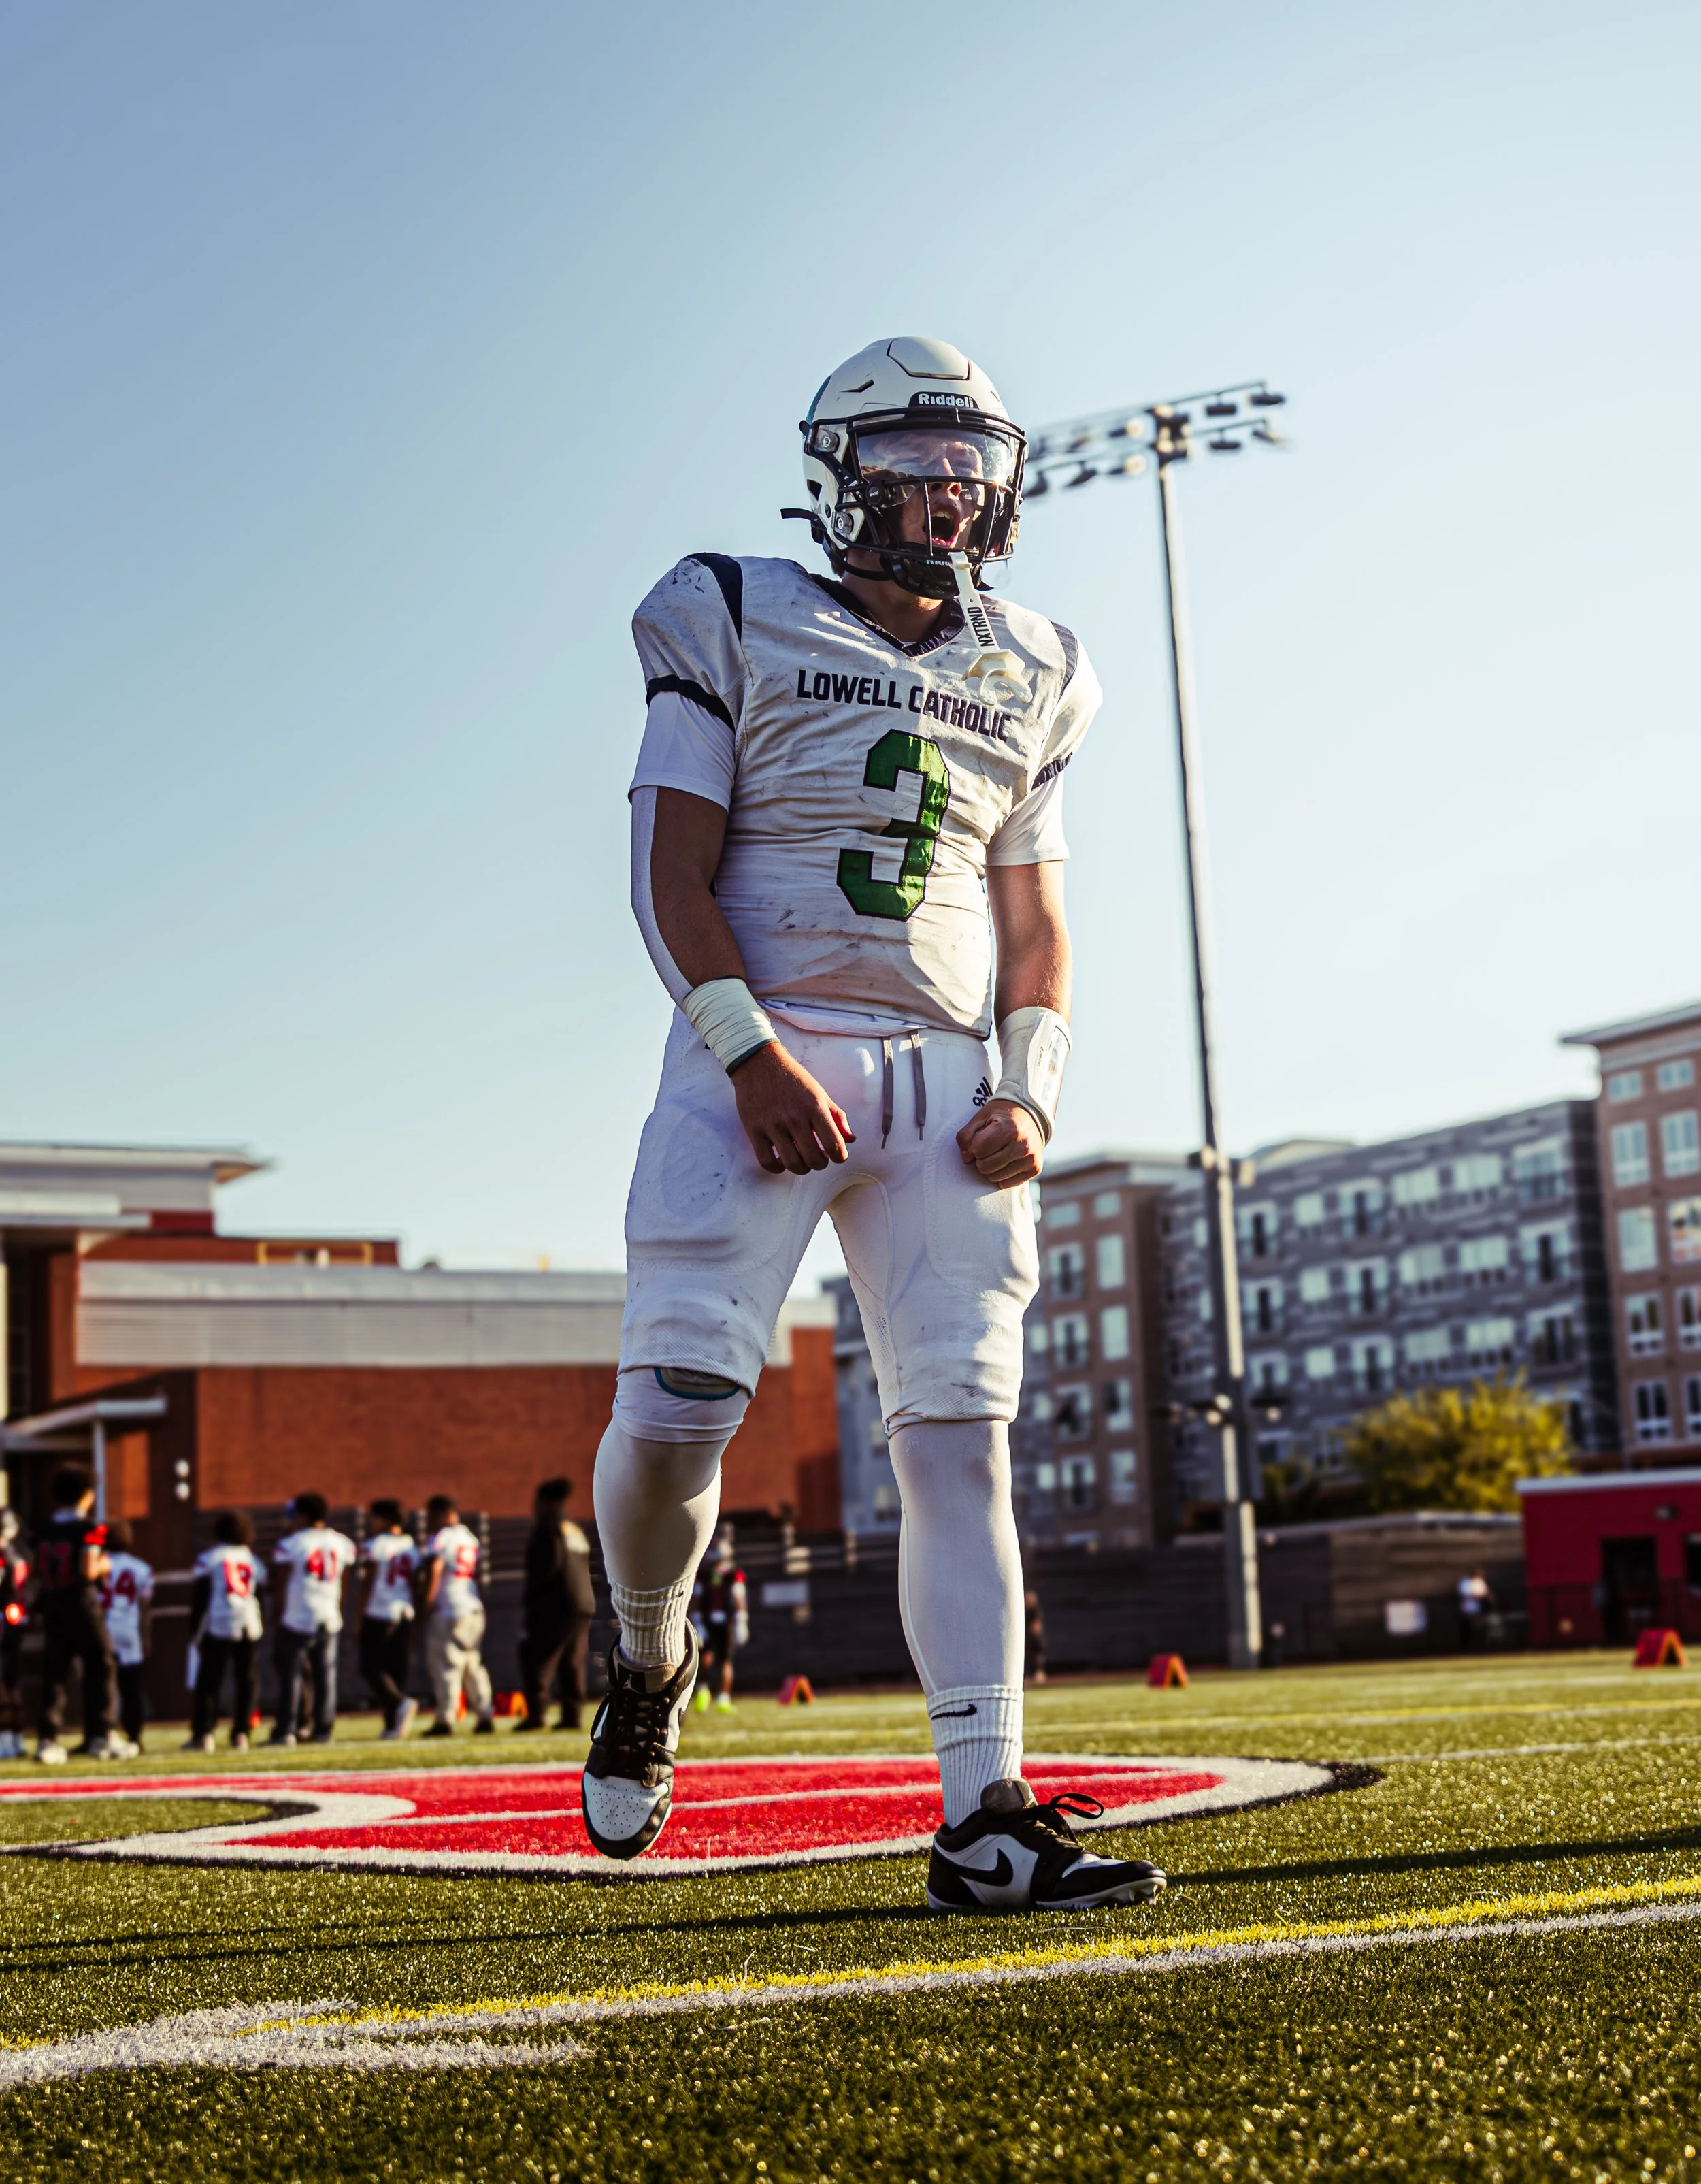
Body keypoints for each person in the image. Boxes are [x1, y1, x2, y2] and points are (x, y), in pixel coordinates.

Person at [581, 336, 1164, 1912]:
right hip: (759, 1050)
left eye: (972, 466)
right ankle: (646, 1646)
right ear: (842, 477)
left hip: (942, 1080)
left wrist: (1030, 1086)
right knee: (680, 1404)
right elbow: (668, 869)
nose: (949, 493)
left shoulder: (1038, 665)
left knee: (960, 1435)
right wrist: (747, 1053)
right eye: (914, 462)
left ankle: (985, 1812)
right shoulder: (730, 608)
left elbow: (1033, 919)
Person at [33, 1464, 134, 1762]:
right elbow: (88, 1569)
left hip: (53, 1604)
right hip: (81, 1604)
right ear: (87, 1494)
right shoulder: (91, 1528)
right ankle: (101, 1734)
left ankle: (48, 1738)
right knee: (102, 1664)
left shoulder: (43, 1529)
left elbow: (39, 1568)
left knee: (55, 1672)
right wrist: (104, 1566)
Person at [269, 1491, 357, 1747]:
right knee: (325, 1677)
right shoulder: (342, 1542)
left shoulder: (292, 1544)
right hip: (329, 1613)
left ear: (304, 1516)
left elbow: (282, 1582)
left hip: (298, 1615)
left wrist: (276, 1613)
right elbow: (346, 1580)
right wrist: (339, 1606)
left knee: (292, 1676)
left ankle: (287, 1728)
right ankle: (323, 1729)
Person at [516, 1478, 595, 1733]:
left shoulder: (548, 1529)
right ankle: (573, 1714)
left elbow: (547, 1569)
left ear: (546, 1503)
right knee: (572, 1661)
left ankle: (537, 1713)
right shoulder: (573, 1529)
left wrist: (532, 1602)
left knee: (536, 1658)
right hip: (583, 1602)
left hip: (556, 1604)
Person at [186, 1512, 265, 1752]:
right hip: (249, 1622)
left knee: (209, 1681)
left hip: (219, 1622)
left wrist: (194, 1630)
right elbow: (260, 1593)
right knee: (247, 1680)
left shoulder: (211, 1558)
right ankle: (241, 1732)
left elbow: (201, 1596)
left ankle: (204, 1733)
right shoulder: (252, 1559)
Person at [420, 1495, 494, 1738]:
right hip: (472, 1607)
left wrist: (427, 1602)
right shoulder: (469, 1537)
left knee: (446, 1666)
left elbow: (435, 1568)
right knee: (473, 1664)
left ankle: (446, 1718)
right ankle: (485, 1713)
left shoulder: (442, 1538)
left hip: (449, 1609)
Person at [357, 1501, 418, 1740]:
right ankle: (393, 1723)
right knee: (395, 1670)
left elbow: (368, 1582)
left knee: (370, 1667)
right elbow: (416, 1581)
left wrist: (358, 1617)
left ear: (383, 1519)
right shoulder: (410, 1546)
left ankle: (399, 1703)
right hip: (404, 1610)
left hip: (379, 1611)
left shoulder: (376, 1545)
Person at [99, 1521, 155, 1750]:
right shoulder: (141, 1568)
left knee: (103, 1685)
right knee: (132, 1687)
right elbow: (144, 1607)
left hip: (104, 1629)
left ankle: (104, 1732)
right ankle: (134, 1736)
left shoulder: (98, 1564)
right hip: (130, 1630)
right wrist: (146, 1636)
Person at [691, 1525, 747, 1712]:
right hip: (707, 1621)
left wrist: (741, 1620)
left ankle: (723, 1697)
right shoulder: (703, 1574)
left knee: (725, 1660)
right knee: (705, 1658)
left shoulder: (733, 1574)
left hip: (727, 1622)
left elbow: (739, 1597)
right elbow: (697, 1598)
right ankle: (703, 1690)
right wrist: (698, 1621)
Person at [0, 1510, 29, 1760]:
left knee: (5, 1683)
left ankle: (7, 1737)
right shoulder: (18, 1554)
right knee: (11, 1682)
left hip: (6, 1620)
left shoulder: (7, 1557)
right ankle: (16, 1738)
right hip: (14, 1621)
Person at [1457, 1569, 1496, 1651]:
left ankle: (1479, 1647)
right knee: (1467, 1629)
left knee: (1479, 1629)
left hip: (1479, 1610)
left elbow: (1486, 1593)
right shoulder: (1466, 1582)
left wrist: (1487, 1597)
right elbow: (1465, 1594)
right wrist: (1480, 1595)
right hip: (1467, 1609)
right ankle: (1466, 1648)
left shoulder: (1480, 1582)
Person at [1023, 1588, 1046, 1687]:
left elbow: (1036, 1627)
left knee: (1037, 1655)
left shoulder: (1036, 1611)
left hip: (1034, 1640)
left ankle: (1038, 1673)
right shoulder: (1022, 1611)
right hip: (1026, 1640)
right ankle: (1026, 1675)